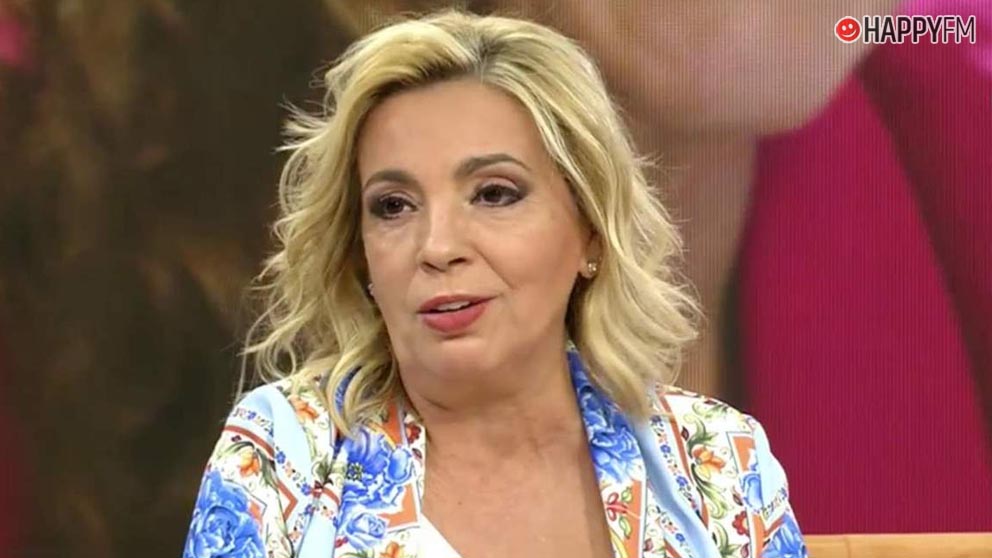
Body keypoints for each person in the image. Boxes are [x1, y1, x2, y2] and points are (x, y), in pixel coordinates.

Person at [182, 10, 807, 558]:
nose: (438, 247)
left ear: (590, 231)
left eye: (493, 194)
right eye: (393, 206)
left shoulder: (716, 460)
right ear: (361, 256)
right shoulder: (285, 453)